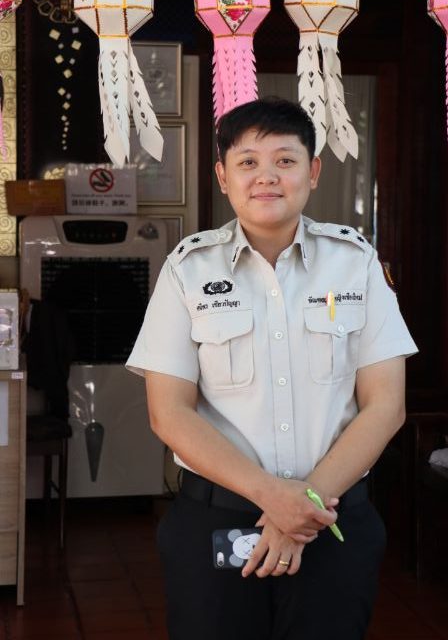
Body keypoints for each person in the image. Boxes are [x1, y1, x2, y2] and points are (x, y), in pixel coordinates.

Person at [126, 97, 417, 640]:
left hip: (332, 523)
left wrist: (300, 508)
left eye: (285, 160)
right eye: (248, 162)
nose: (267, 177)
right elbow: (169, 413)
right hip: (216, 519)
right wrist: (273, 498)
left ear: (313, 171)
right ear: (222, 176)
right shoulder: (187, 270)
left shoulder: (355, 263)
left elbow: (385, 405)